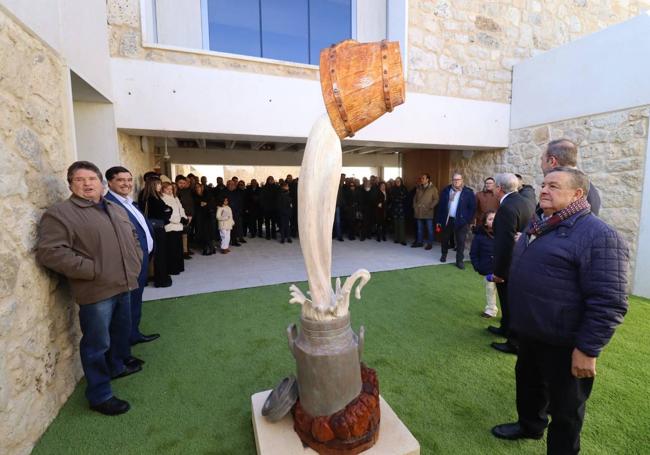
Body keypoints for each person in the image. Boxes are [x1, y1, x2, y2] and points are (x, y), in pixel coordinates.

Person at [491, 167, 628, 454]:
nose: (543, 190)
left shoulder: (599, 236)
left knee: (566, 409)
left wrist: (588, 349)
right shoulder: (542, 223)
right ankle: (530, 426)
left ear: (577, 194)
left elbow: (608, 301)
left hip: (565, 342)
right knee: (529, 385)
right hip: (531, 332)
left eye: (553, 186)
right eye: (543, 184)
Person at [36, 161, 143, 415]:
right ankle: (100, 395)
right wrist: (91, 271)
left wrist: (136, 259)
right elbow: (50, 252)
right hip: (96, 292)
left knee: (119, 334)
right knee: (97, 345)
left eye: (91, 179)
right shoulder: (61, 213)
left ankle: (116, 367)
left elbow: (133, 237)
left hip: (124, 284)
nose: (87, 184)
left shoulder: (114, 209)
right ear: (70, 184)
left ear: (101, 183)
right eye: (79, 180)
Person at [105, 166, 160, 347]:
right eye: (121, 180)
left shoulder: (129, 202)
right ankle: (124, 345)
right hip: (129, 262)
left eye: (128, 180)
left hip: (142, 258)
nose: (126, 184)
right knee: (126, 305)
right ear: (110, 182)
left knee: (136, 299)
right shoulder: (109, 205)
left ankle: (134, 334)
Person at [488, 173, 535, 354]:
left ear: (499, 188)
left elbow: (504, 243)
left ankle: (513, 342)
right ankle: (505, 328)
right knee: (509, 302)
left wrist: (499, 272)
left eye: (494, 186)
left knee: (510, 302)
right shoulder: (525, 201)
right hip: (521, 261)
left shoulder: (507, 207)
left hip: (509, 265)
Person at [540, 139, 601, 215]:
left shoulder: (584, 192)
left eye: (542, 160)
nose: (543, 191)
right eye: (543, 186)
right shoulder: (586, 186)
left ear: (552, 161)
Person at [436, 172, 476, 268]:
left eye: (458, 179)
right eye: (454, 179)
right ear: (452, 181)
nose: (456, 181)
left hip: (461, 221)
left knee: (460, 241)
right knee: (445, 239)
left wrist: (467, 220)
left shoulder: (468, 192)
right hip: (447, 219)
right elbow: (441, 206)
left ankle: (459, 261)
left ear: (462, 180)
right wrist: (439, 220)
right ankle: (444, 254)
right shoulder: (446, 190)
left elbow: (472, 208)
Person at [139, 177, 173, 288]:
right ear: (153, 185)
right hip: (157, 228)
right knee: (160, 254)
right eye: (158, 184)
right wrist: (169, 210)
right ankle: (161, 280)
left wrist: (168, 209)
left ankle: (157, 278)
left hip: (152, 227)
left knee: (156, 253)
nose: (160, 186)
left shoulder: (146, 197)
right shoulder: (153, 198)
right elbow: (165, 212)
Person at [470, 210, 497, 319]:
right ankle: (491, 310)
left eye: (495, 219)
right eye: (490, 219)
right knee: (490, 290)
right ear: (485, 223)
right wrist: (478, 266)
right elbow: (473, 253)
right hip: (488, 269)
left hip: (502, 268)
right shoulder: (479, 236)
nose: (493, 221)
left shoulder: (503, 233)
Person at [161, 182, 187, 275]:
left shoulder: (175, 197)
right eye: (167, 189)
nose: (169, 191)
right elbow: (167, 214)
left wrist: (184, 217)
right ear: (162, 189)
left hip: (178, 226)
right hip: (171, 226)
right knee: (172, 249)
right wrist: (178, 220)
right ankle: (173, 269)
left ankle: (179, 267)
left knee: (178, 249)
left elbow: (181, 209)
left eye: (171, 189)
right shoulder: (163, 198)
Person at [412, 174, 439, 250]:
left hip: (428, 211)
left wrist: (430, 206)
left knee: (430, 229)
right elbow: (415, 198)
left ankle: (430, 243)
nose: (421, 180)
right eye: (421, 178)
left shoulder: (433, 188)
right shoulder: (419, 188)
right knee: (419, 228)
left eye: (423, 178)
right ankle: (420, 242)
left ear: (428, 180)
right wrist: (415, 206)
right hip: (419, 211)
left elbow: (436, 199)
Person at [193, 183, 216, 255]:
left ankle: (208, 248)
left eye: (198, 187)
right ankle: (209, 248)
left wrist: (206, 204)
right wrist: (200, 203)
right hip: (199, 216)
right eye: (196, 187)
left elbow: (213, 204)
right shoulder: (194, 195)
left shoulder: (207, 194)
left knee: (207, 232)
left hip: (208, 216)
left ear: (202, 187)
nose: (197, 188)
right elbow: (194, 204)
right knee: (201, 232)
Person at [390, 177, 409, 245]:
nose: (397, 182)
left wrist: (397, 198)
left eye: (399, 181)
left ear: (401, 181)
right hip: (395, 209)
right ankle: (396, 238)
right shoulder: (393, 188)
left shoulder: (404, 188)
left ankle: (402, 239)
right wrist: (399, 198)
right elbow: (391, 197)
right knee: (396, 224)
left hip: (402, 209)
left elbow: (405, 197)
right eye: (396, 181)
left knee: (401, 224)